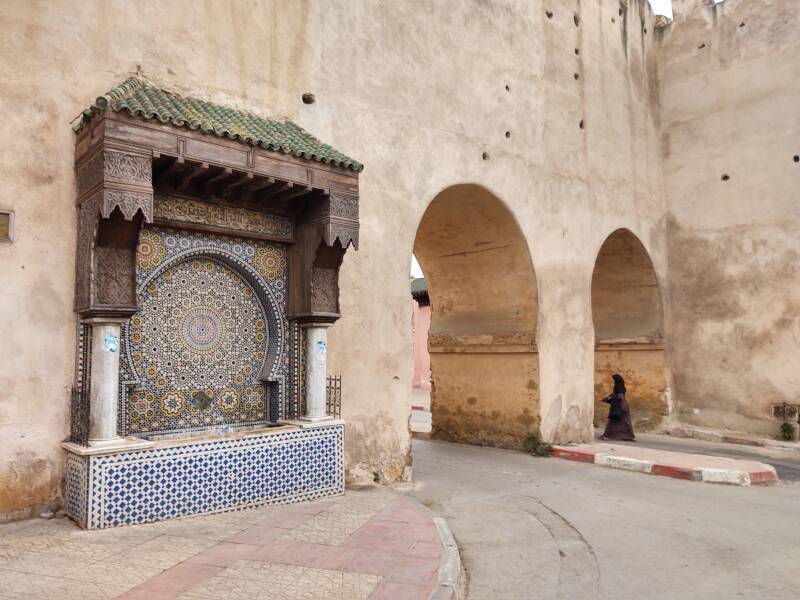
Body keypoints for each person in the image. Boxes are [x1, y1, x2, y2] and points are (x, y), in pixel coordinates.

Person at [600, 373, 636, 441]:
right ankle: (629, 436)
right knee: (625, 422)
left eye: (614, 379)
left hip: (619, 407)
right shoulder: (621, 386)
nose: (613, 381)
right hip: (623, 406)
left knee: (612, 422)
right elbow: (615, 395)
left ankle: (606, 435)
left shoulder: (618, 387)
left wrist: (608, 400)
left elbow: (619, 397)